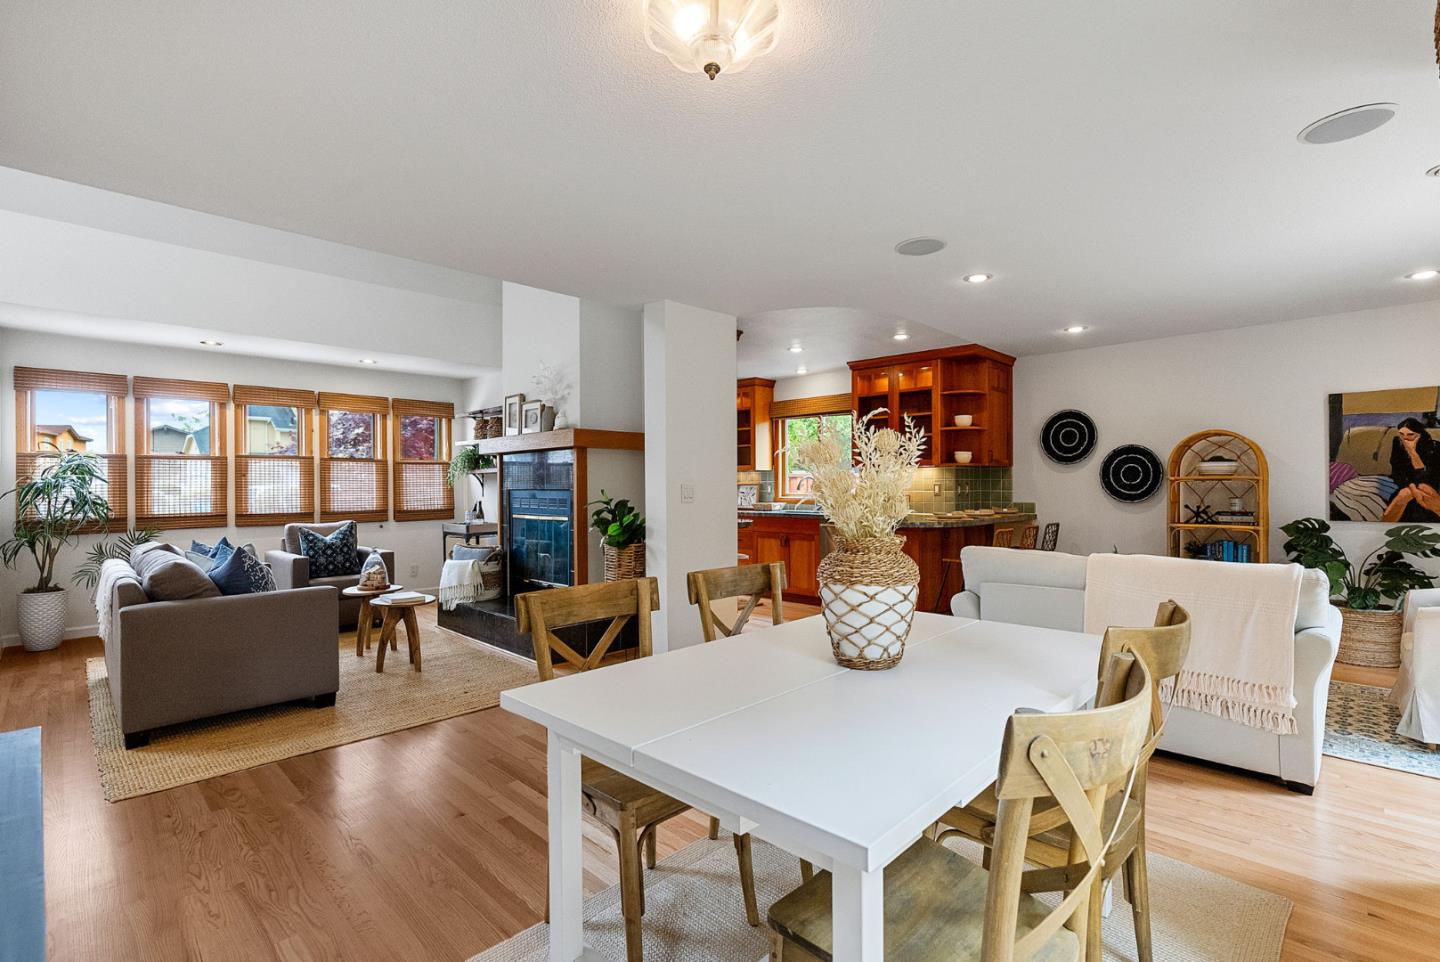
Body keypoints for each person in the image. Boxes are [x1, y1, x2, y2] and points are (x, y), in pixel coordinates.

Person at [1382, 417, 1440, 522]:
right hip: (1408, 485)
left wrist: (1412, 452)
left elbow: (1428, 476)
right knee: (1405, 493)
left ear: (1420, 434)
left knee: (1424, 488)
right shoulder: (1398, 444)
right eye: (1402, 434)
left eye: (1410, 435)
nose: (1405, 439)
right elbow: (1399, 474)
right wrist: (1413, 489)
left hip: (1431, 484)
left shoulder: (1434, 447)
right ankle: (1381, 529)